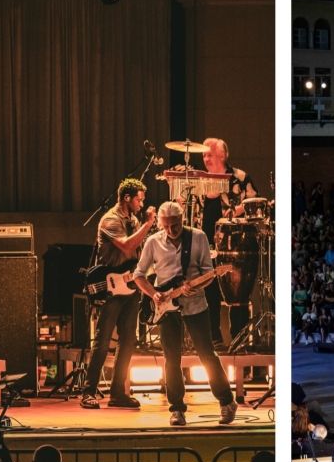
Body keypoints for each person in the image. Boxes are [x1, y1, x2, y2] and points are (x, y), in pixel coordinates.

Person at [134, 199, 236, 427]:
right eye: (165, 226)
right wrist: (153, 294)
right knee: (171, 360)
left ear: (182, 220)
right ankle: (177, 409)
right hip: (166, 307)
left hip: (195, 305)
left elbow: (209, 274)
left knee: (206, 355)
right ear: (160, 223)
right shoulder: (153, 242)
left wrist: (194, 286)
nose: (170, 231)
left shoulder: (198, 237)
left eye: (175, 226)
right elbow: (139, 274)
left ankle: (226, 401)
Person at [83, 177, 157, 410]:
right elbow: (125, 246)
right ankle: (88, 391)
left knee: (128, 341)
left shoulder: (133, 220)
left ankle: (117, 393)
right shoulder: (110, 220)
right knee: (103, 341)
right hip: (110, 286)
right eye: (139, 199)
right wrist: (147, 226)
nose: (141, 205)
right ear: (127, 198)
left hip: (130, 287)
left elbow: (137, 252)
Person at [200, 136, 258, 344]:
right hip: (205, 244)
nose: (205, 159)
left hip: (234, 245)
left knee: (237, 294)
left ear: (222, 156)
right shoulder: (199, 181)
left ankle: (239, 339)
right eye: (204, 155)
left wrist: (238, 210)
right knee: (209, 291)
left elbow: (254, 206)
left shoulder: (240, 178)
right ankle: (212, 338)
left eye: (210, 155)